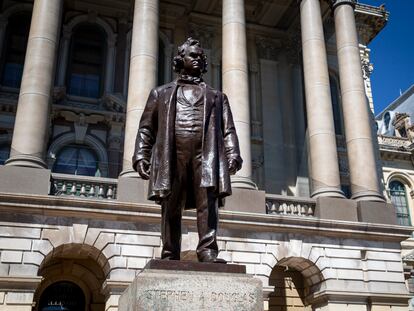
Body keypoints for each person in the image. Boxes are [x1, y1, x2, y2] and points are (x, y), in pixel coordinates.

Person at [133, 38, 242, 263]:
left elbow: (228, 129)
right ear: (180, 59)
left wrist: (233, 153)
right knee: (171, 205)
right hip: (172, 155)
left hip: (207, 155)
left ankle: (208, 250)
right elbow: (146, 128)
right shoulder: (161, 94)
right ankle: (170, 251)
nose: (199, 59)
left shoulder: (217, 97)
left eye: (201, 57)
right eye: (193, 55)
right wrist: (140, 155)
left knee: (208, 204)